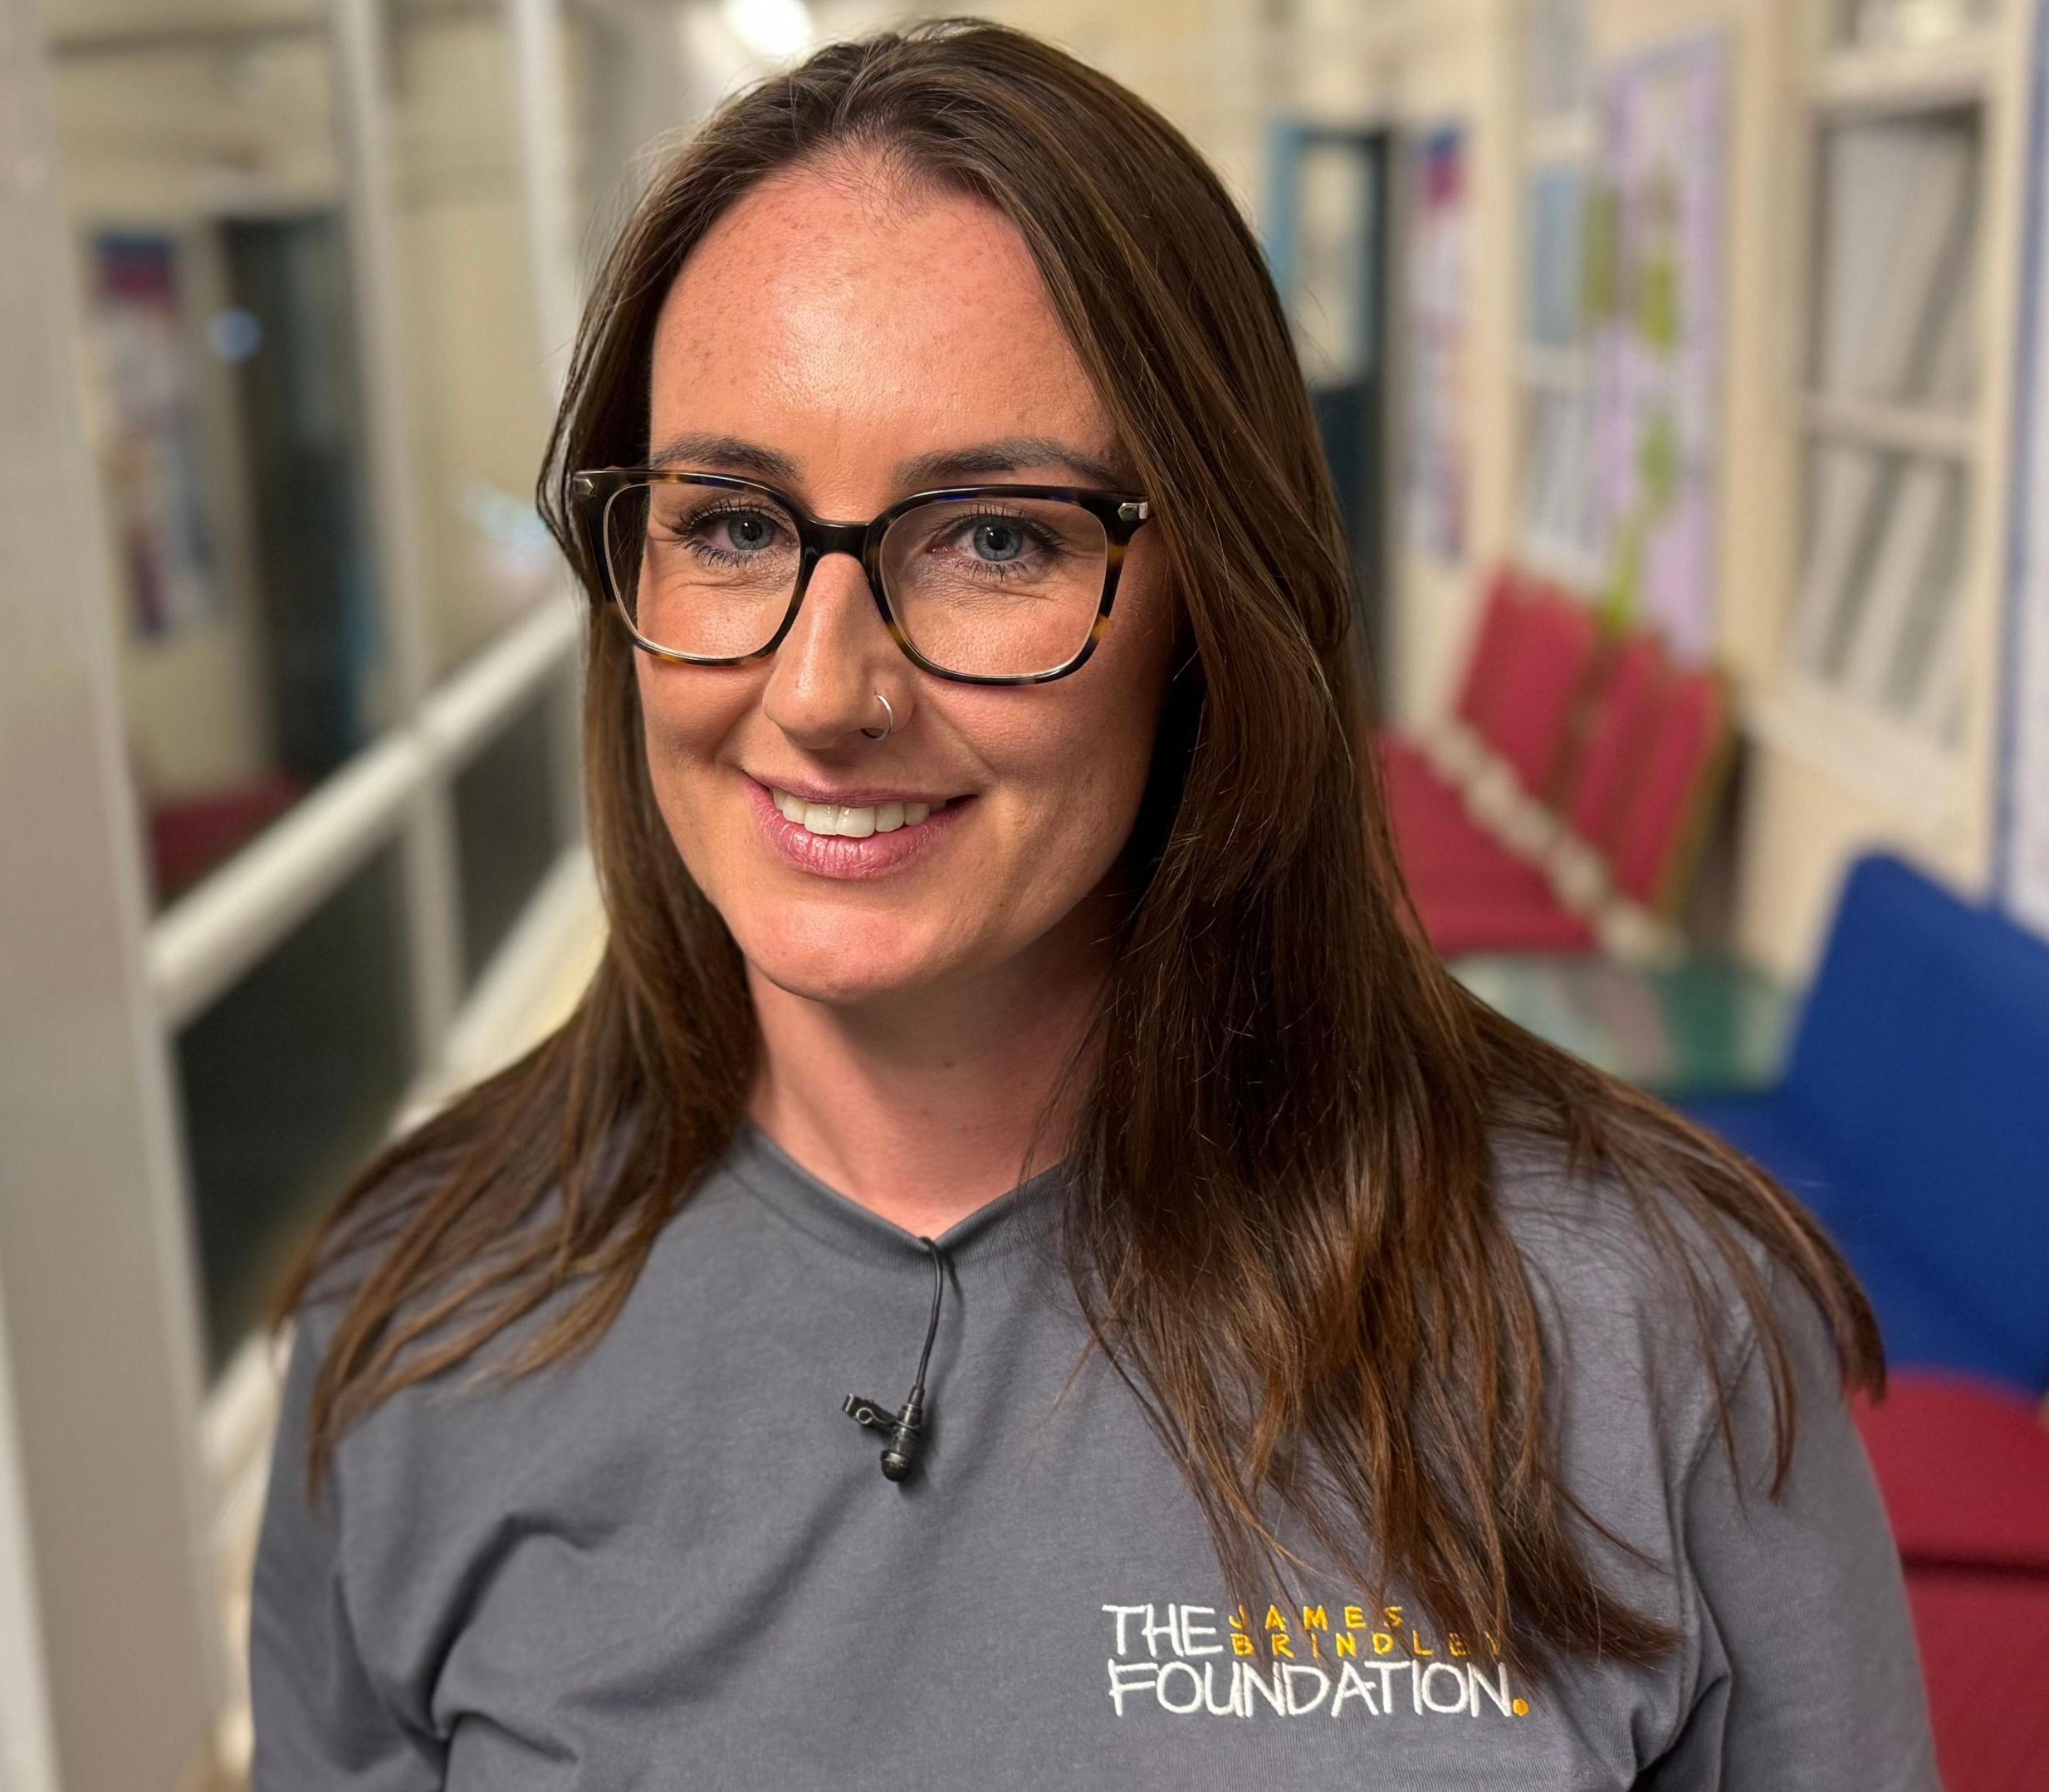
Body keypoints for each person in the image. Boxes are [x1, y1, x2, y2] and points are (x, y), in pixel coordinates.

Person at [250, 17, 1937, 1788]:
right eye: (733, 523)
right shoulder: (419, 1324)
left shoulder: (1637, 1333)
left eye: (994, 537)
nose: (825, 690)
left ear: (1211, 604)